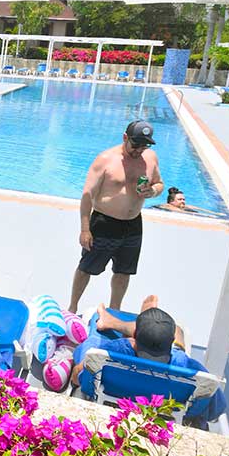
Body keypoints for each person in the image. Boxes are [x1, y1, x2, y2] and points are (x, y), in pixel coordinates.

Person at [69, 301, 226, 426]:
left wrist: (76, 372)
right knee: (178, 330)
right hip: (168, 396)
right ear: (170, 342)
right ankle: (152, 328)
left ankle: (118, 323)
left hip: (114, 389)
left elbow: (80, 378)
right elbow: (215, 410)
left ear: (135, 335)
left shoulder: (110, 351)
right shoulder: (190, 367)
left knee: (92, 342)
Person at [69, 120, 163, 314]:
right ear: (125, 138)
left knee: (123, 272)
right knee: (87, 268)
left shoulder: (150, 158)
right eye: (135, 144)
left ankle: (115, 310)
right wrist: (85, 229)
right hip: (104, 223)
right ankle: (72, 306)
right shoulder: (105, 159)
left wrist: (152, 191)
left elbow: (159, 183)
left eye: (144, 145)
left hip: (133, 225)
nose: (139, 150)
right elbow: (87, 195)